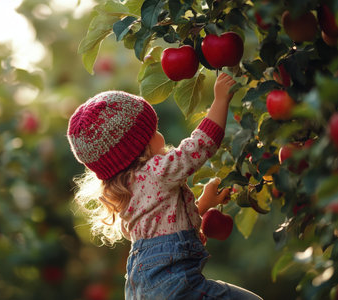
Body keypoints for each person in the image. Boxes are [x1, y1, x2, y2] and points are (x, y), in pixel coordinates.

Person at [67, 73, 262, 299]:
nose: (160, 134)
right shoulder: (157, 171)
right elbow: (201, 145)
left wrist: (205, 204)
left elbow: (165, 226)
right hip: (175, 287)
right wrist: (220, 100)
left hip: (141, 290)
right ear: (140, 147)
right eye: (153, 132)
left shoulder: (126, 194)